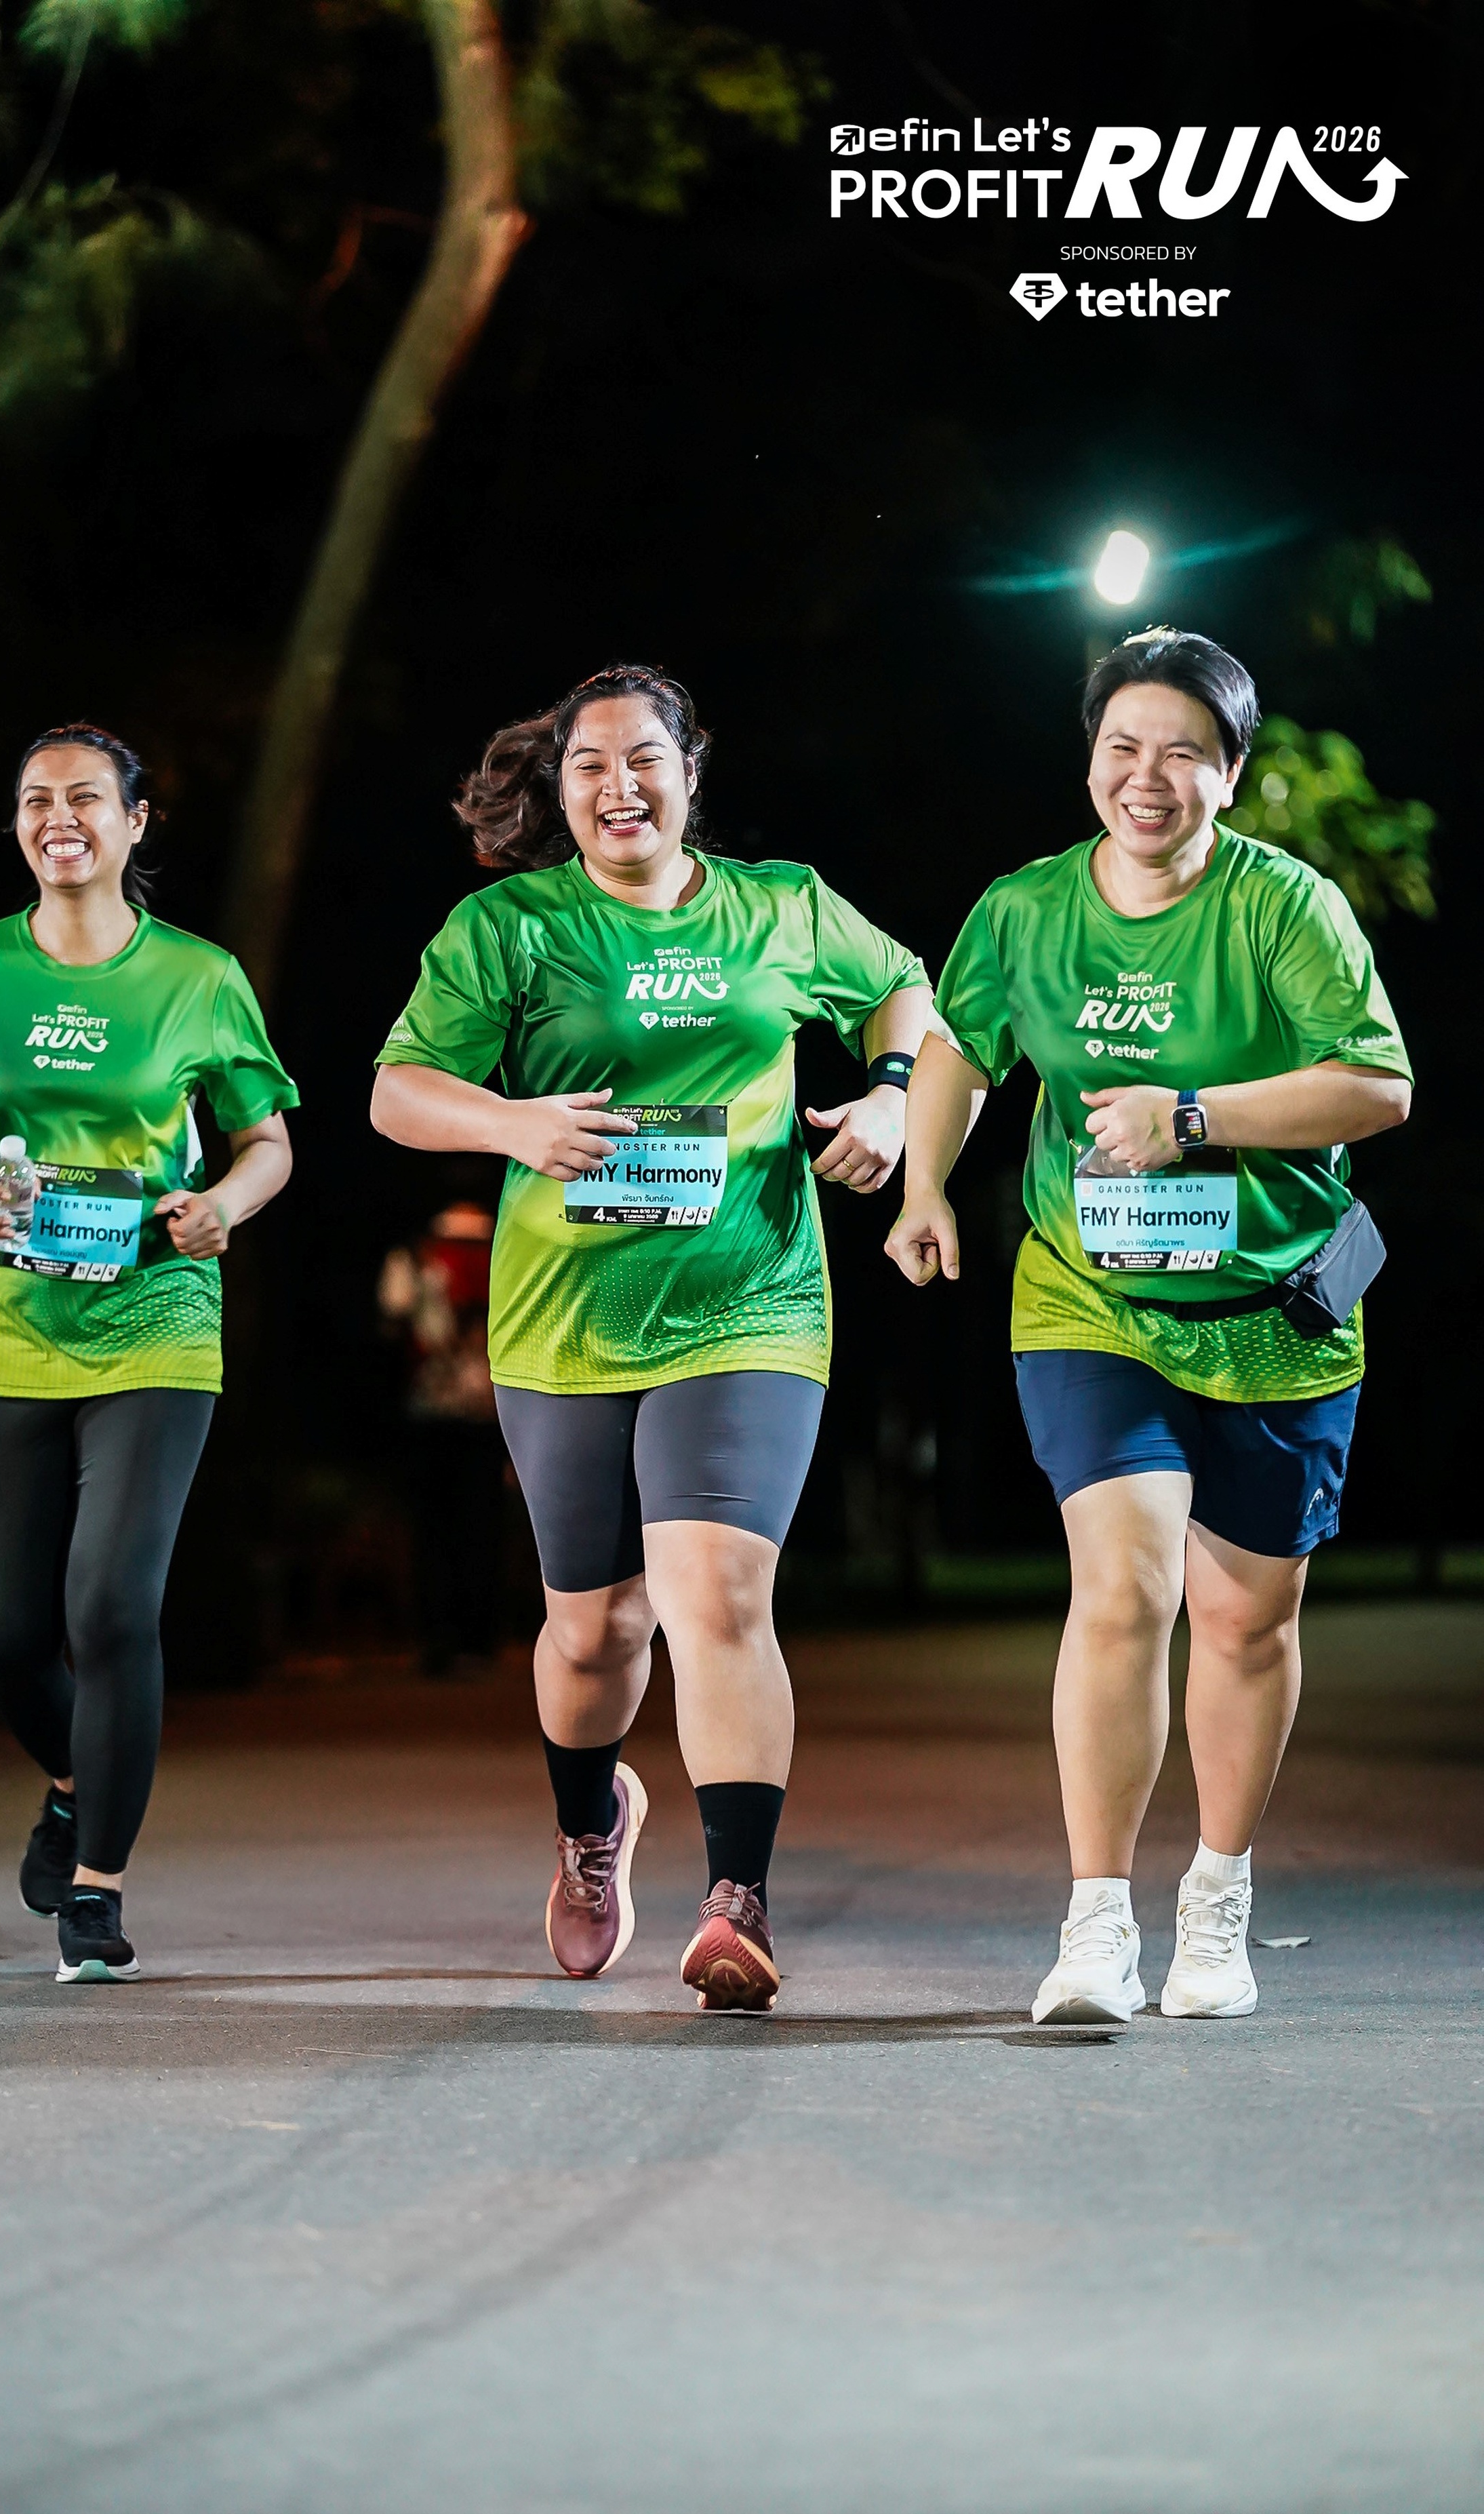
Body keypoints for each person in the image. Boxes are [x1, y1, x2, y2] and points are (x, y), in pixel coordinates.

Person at [372, 663, 934, 2009]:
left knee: (716, 1597)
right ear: (559, 789)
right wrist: (512, 1122)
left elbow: (902, 987)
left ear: (690, 772)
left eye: (645, 761)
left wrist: (891, 1097)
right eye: (590, 766)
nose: (619, 786)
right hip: (567, 1316)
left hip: (749, 1298)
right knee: (594, 1631)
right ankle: (591, 1823)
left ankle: (737, 1901)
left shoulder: (779, 905)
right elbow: (399, 1091)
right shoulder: (510, 926)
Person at [888, 628, 1412, 2025]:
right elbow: (960, 1046)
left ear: (1230, 773)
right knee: (1123, 1589)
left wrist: (1194, 1116)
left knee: (1245, 1616)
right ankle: (1095, 1926)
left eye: (1184, 751)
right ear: (1089, 762)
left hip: (1276, 1306)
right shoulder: (1026, 910)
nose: (1148, 775)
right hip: (1091, 1293)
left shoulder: (1286, 908)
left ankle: (1217, 1901)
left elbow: (1378, 1086)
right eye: (1122, 746)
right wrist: (926, 1182)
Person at [0, 723, 298, 1983]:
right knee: (4, 1631)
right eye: (35, 801)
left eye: (84, 798)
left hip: (155, 1318)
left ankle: (98, 1888)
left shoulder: (199, 977)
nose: (57, 818)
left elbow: (267, 1143)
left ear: (135, 821)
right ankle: (74, 1781)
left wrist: (223, 1207)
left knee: (110, 1604)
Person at [377, 1199, 506, 1673]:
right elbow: (396, 1321)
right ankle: (448, 1640)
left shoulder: (491, 1263)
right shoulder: (418, 1263)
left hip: (477, 1414)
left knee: (470, 1527)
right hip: (443, 1412)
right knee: (449, 1528)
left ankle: (469, 1640)